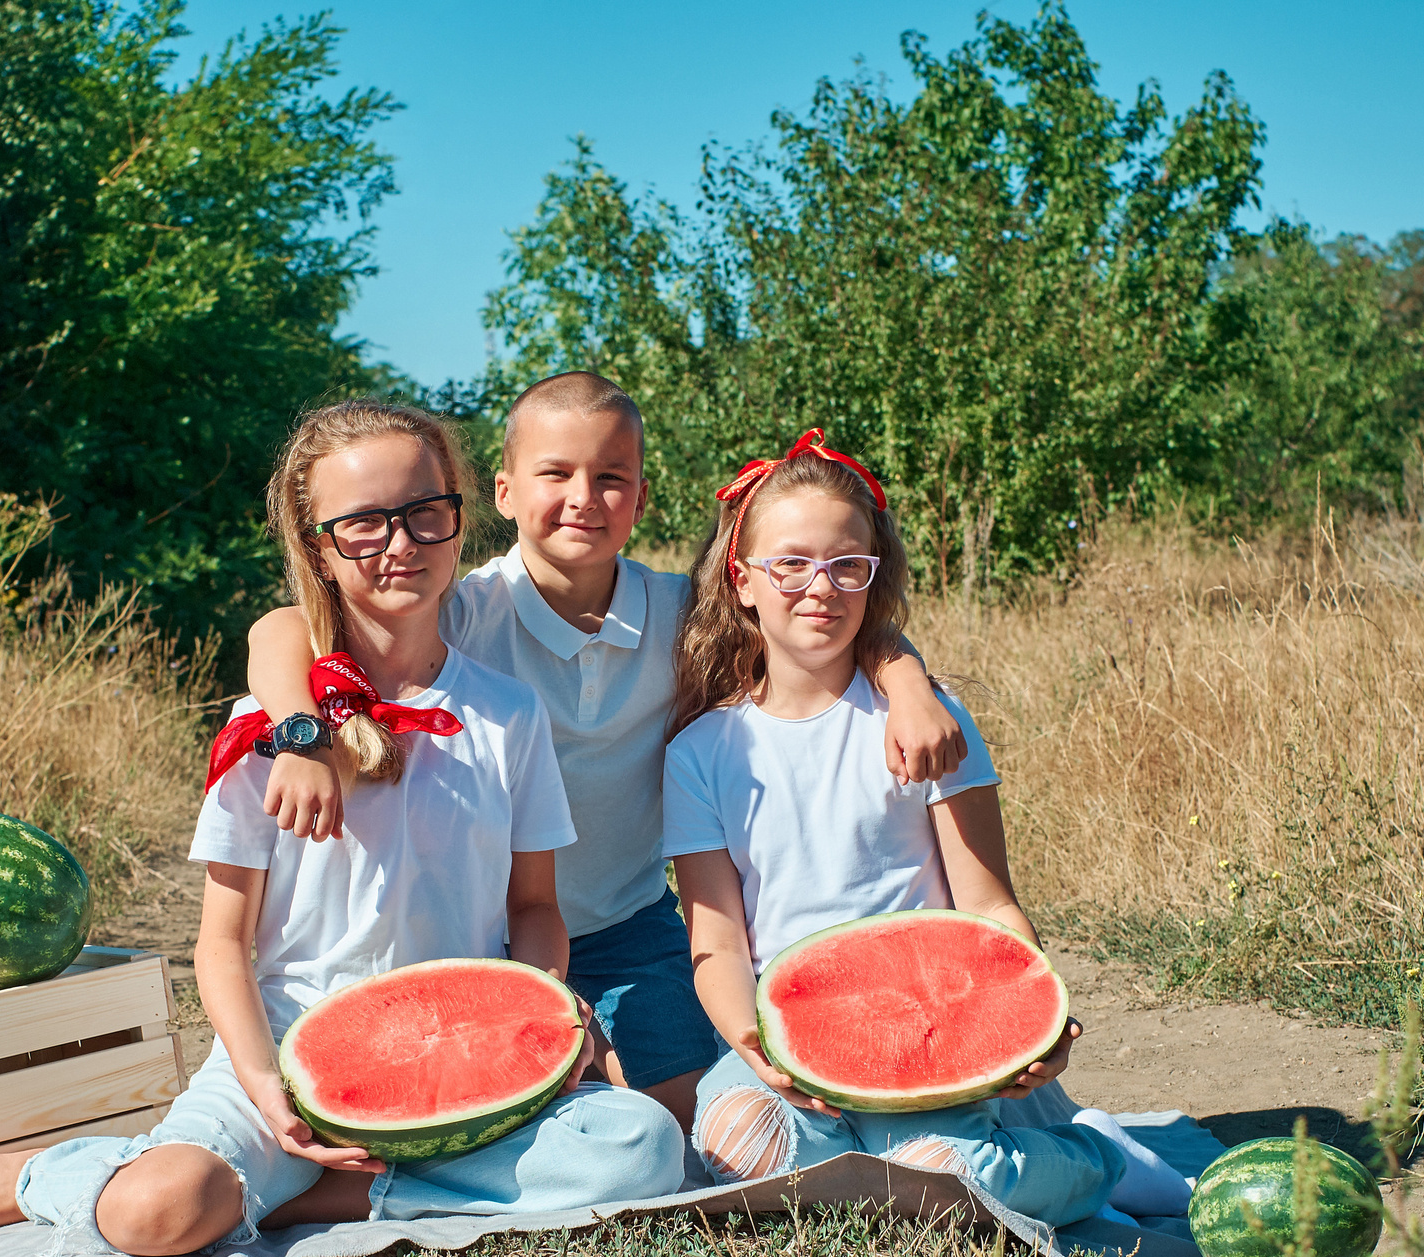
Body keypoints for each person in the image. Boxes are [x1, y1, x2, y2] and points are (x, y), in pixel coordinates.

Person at [0, 400, 686, 1254]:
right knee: (163, 1209)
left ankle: (317, 1198)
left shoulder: (509, 714)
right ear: (318, 550)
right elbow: (220, 947)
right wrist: (264, 1089)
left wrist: (540, 1013)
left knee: (642, 1149)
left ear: (459, 519)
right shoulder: (265, 729)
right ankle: (35, 1175)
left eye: (424, 514)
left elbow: (534, 909)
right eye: (363, 526)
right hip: (292, 1053)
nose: (400, 544)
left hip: (456, 1053)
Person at [236, 373, 968, 1132]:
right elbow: (283, 627)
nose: (584, 496)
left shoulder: (682, 616)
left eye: (610, 477)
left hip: (629, 920)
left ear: (642, 498)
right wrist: (301, 729)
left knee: (677, 1123)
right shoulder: (458, 608)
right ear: (505, 492)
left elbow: (822, 613)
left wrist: (907, 681)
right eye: (556, 473)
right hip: (490, 930)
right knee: (515, 1108)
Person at [662, 430, 1191, 1226]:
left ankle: (1096, 1157)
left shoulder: (929, 723)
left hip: (934, 1018)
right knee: (737, 1144)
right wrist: (752, 1042)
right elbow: (719, 941)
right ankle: (903, 1162)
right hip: (787, 1021)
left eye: (848, 565)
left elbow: (988, 903)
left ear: (873, 579)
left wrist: (1034, 1008)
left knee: (937, 1173)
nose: (821, 587)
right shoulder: (699, 753)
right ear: (742, 581)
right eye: (791, 564)